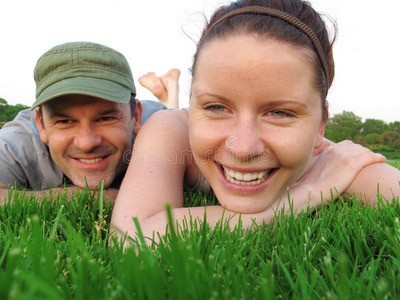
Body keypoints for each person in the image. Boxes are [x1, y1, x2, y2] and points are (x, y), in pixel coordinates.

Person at [110, 0, 400, 245]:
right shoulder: (170, 128)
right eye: (215, 107)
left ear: (320, 125)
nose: (243, 147)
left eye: (279, 113)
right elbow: (130, 238)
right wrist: (308, 193)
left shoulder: (332, 159)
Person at [0, 41, 178, 203]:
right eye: (65, 121)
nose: (86, 143)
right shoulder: (15, 143)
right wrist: (81, 197)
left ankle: (168, 93)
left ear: (136, 117)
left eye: (105, 118)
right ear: (41, 124)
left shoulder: (160, 124)